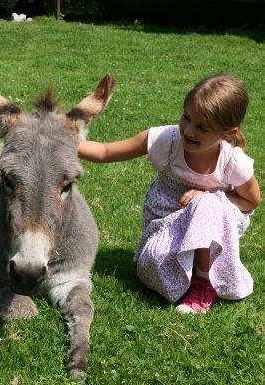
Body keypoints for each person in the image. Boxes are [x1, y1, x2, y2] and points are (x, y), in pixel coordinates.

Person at [78, 74, 261, 314]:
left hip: (215, 223)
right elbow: (104, 152)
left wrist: (210, 196)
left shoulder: (231, 162)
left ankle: (204, 284)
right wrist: (61, 140)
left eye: (202, 127)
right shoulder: (167, 140)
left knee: (206, 204)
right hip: (169, 221)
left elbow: (251, 200)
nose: (189, 130)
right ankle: (188, 268)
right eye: (186, 117)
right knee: (151, 265)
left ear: (227, 133)